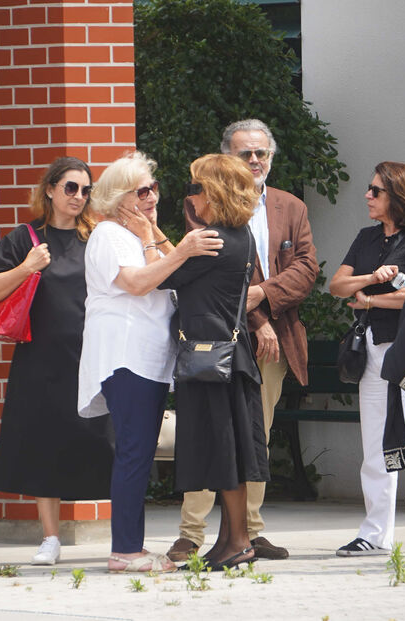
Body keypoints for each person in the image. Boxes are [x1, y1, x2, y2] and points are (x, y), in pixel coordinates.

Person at [168, 118, 318, 562]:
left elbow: (306, 269)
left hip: (275, 337)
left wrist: (263, 298)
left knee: (254, 435)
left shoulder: (291, 206)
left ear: (271, 157)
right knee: (211, 437)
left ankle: (248, 531)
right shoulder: (202, 207)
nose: (254, 161)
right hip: (232, 333)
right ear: (228, 159)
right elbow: (221, 279)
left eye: (261, 153)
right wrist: (255, 318)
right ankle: (192, 533)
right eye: (244, 154)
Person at [77, 151, 223, 573]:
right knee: (135, 451)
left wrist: (154, 232)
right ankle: (125, 550)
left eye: (154, 188)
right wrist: (177, 248)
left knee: (139, 451)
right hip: (125, 356)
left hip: (149, 358)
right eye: (142, 190)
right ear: (118, 197)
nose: (151, 195)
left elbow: (175, 272)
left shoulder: (139, 232)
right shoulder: (107, 234)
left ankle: (129, 547)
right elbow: (138, 283)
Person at [0, 157, 113, 566]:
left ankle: (124, 532)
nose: (79, 197)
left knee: (107, 441)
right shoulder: (27, 237)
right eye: (71, 187)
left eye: (86, 190)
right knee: (44, 444)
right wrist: (26, 267)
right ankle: (50, 537)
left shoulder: (96, 237)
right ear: (51, 189)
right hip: (42, 358)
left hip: (92, 355)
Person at [328, 162, 405, 559]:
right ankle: (375, 531)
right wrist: (370, 279)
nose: (367, 195)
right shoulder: (366, 238)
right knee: (374, 441)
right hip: (373, 350)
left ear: (398, 196)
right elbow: (336, 285)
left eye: (375, 190)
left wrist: (368, 299)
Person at [157, 154, 269, 569]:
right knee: (231, 450)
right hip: (229, 357)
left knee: (224, 450)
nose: (191, 198)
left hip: (212, 361)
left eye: (196, 188)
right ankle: (231, 540)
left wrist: (148, 234)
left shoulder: (213, 240)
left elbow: (165, 276)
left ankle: (237, 540)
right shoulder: (237, 236)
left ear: (216, 192)